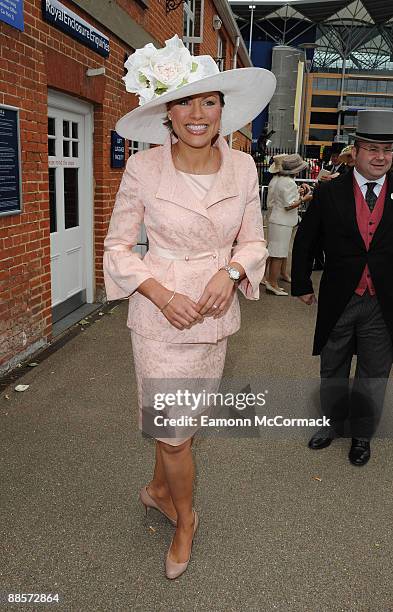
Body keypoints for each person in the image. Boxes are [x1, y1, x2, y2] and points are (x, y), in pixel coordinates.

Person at [103, 35, 275, 578]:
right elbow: (116, 247)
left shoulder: (244, 169)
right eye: (182, 102)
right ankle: (185, 521)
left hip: (213, 316)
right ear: (166, 113)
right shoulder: (143, 170)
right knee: (176, 433)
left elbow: (254, 243)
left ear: (223, 109)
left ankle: (158, 489)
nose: (196, 114)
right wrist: (158, 292)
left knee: (179, 426)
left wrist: (232, 272)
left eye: (207, 101)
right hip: (158, 318)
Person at [291, 109, 393, 466]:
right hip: (340, 298)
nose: (381, 157)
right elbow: (306, 240)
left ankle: (362, 435)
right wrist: (301, 283)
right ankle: (332, 424)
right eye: (372, 149)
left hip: (383, 303)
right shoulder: (329, 191)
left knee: (374, 372)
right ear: (356, 151)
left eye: (388, 150)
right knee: (332, 365)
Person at [264, 153, 308, 296]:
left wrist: (298, 194)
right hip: (282, 221)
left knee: (275, 251)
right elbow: (289, 206)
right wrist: (304, 199)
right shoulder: (288, 182)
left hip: (277, 219)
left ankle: (270, 280)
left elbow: (282, 199)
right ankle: (272, 283)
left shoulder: (278, 180)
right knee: (278, 253)